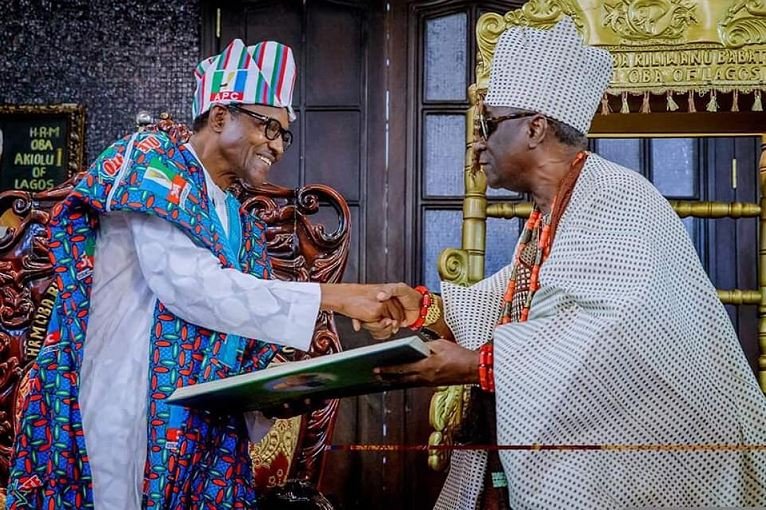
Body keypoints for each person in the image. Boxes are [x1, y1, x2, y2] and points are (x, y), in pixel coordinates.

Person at [368, 17, 766, 509]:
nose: (477, 143)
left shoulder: (620, 198)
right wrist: (426, 310)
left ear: (535, 128)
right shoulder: (555, 208)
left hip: (668, 449)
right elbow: (514, 297)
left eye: (489, 125)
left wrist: (475, 364)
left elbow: (612, 336)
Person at [7, 39, 412, 509]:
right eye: (269, 127)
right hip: (124, 409)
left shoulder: (239, 220)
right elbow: (193, 289)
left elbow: (242, 334)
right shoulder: (152, 160)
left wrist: (275, 395)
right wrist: (339, 297)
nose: (278, 146)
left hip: (201, 430)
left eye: (285, 135)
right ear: (221, 117)